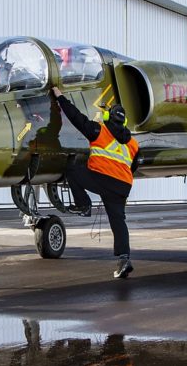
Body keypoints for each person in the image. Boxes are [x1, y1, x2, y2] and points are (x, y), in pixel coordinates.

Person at [52, 87, 139, 278]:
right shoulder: (133, 143)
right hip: (122, 186)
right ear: (123, 121)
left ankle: (83, 205)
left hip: (103, 179)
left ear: (108, 117)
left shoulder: (99, 131)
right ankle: (124, 260)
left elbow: (76, 117)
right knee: (118, 222)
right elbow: (134, 164)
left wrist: (60, 98)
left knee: (72, 169)